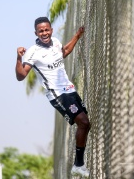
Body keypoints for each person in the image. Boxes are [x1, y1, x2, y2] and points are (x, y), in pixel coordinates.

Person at [15, 17, 91, 178]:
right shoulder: (32, 52)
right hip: (57, 94)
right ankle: (78, 165)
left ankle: (78, 164)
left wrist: (77, 35)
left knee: (86, 125)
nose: (44, 33)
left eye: (46, 29)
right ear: (36, 33)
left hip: (69, 89)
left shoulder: (55, 42)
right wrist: (19, 58)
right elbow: (21, 76)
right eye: (40, 31)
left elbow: (63, 52)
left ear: (51, 30)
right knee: (83, 122)